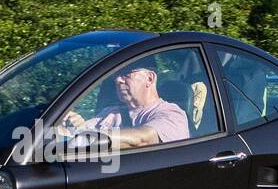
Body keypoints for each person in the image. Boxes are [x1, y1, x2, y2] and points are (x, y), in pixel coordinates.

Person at [61, 64, 189, 149]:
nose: (118, 80)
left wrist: (90, 137)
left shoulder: (172, 114)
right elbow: (77, 134)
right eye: (115, 75)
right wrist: (67, 123)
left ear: (149, 78)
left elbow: (142, 140)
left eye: (126, 73)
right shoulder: (110, 113)